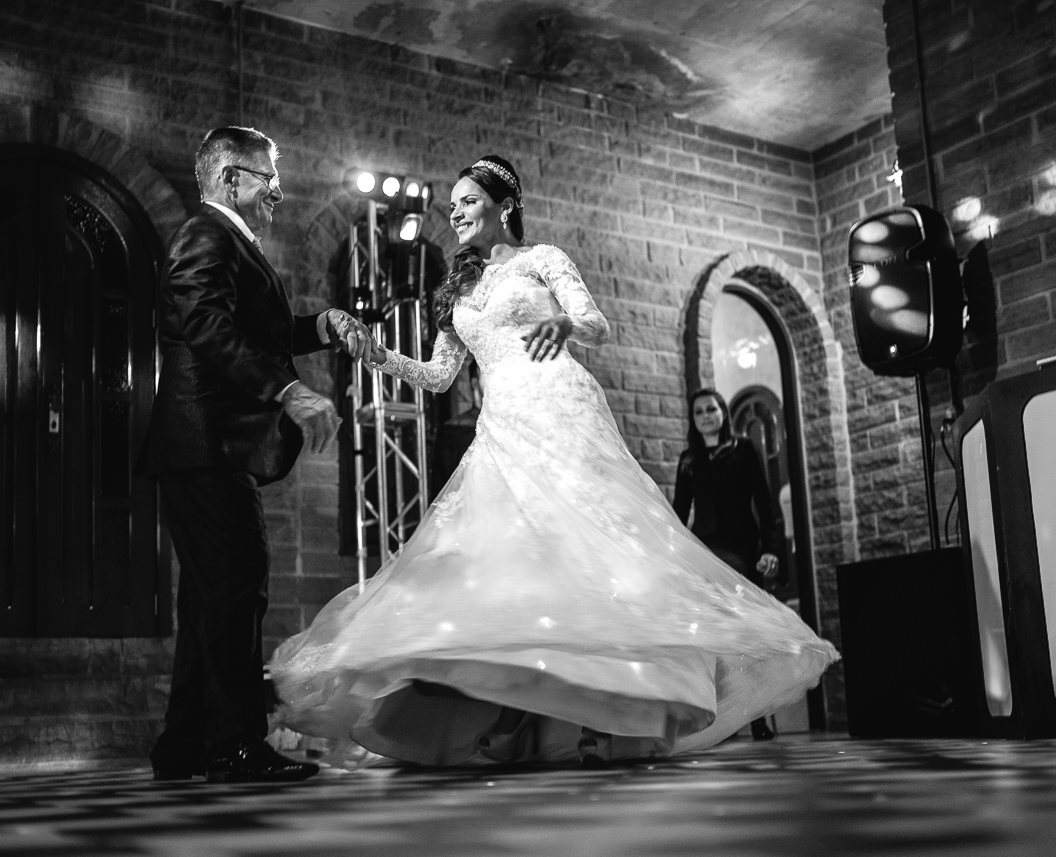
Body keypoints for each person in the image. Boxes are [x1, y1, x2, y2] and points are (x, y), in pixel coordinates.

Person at [270, 155, 837, 767]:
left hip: (561, 409)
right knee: (513, 566)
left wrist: (564, 323)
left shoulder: (543, 259)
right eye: (451, 205)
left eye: (467, 200)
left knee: (585, 554)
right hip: (502, 426)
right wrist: (380, 357)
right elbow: (439, 377)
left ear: (505, 205)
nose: (455, 213)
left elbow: (598, 324)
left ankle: (602, 717)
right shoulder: (456, 289)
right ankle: (520, 713)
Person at [138, 126, 373, 783]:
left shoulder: (227, 242)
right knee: (237, 586)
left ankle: (184, 745)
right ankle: (234, 745)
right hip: (204, 442)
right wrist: (288, 390)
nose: (278, 193)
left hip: (207, 447)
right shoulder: (205, 235)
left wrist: (322, 325)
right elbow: (207, 327)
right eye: (269, 179)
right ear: (230, 178)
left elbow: (254, 330)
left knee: (212, 597)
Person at [672, 389, 786, 741]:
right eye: (699, 412)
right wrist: (668, 552)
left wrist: (771, 549)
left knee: (746, 635)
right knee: (709, 637)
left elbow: (765, 503)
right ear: (693, 420)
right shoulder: (689, 460)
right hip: (703, 551)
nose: (706, 416)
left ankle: (758, 719)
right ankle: (717, 720)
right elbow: (679, 512)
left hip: (741, 551)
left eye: (712, 409)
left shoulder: (743, 449)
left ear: (723, 412)